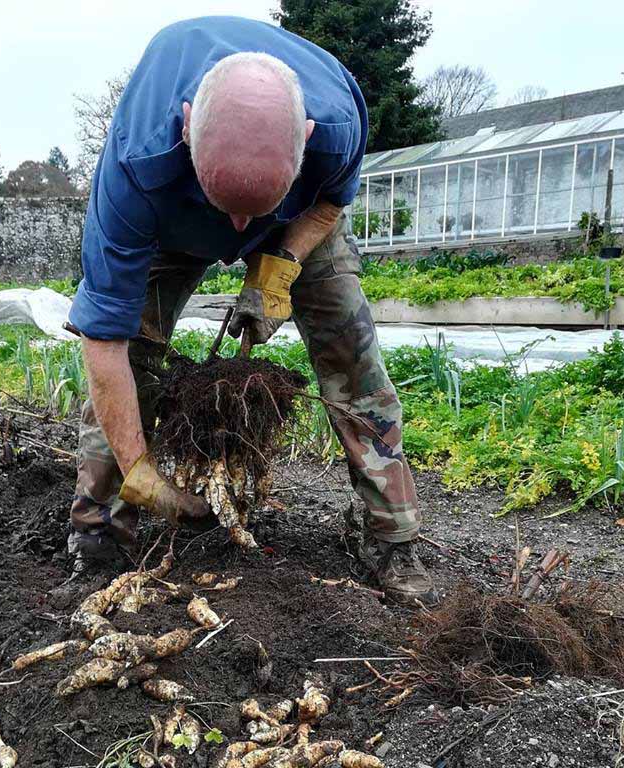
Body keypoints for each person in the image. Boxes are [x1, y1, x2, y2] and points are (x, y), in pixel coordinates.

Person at [67, 16, 432, 603]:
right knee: (132, 354)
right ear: (185, 129)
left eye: (250, 214)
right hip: (172, 223)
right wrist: (142, 472)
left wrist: (281, 262)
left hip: (298, 220)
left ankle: (392, 537)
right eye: (228, 211)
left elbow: (330, 205)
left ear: (308, 136)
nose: (238, 232)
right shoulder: (136, 167)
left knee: (354, 362)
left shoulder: (339, 123)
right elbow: (103, 341)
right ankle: (101, 527)